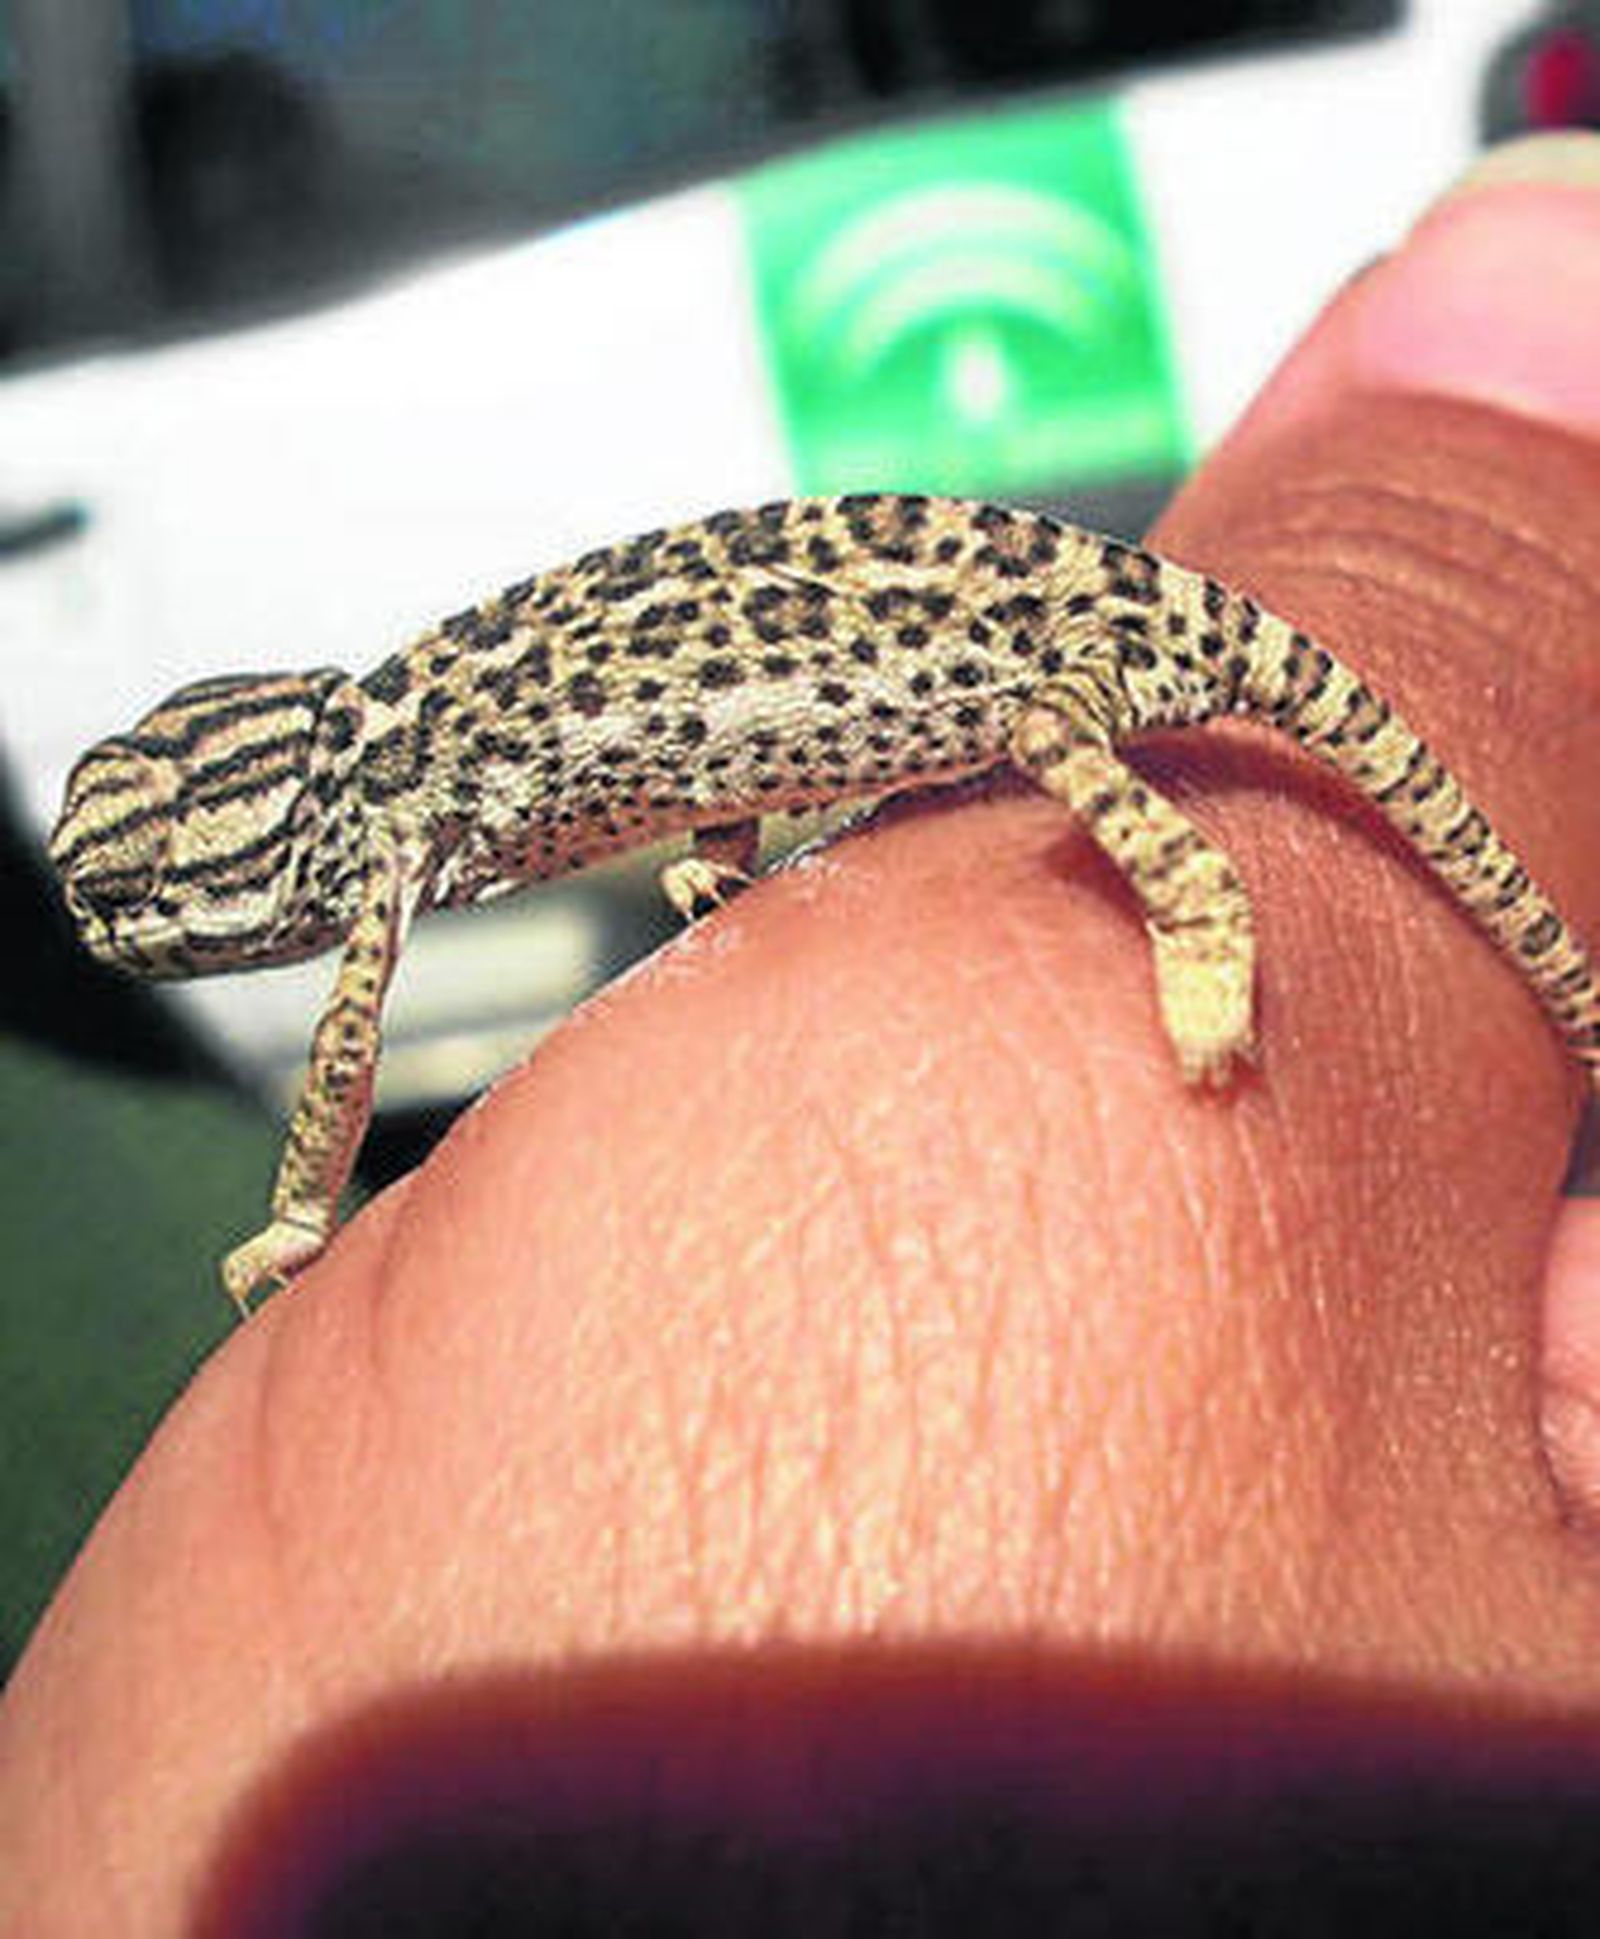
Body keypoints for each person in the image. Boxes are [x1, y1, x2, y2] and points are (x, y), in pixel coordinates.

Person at [7, 132, 1600, 1934]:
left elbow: (344, 1061)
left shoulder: (380, 807)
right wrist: (725, 838)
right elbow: (704, 725)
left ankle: (1193, 894)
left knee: (1057, 731)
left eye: (151, 900)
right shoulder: (418, 755)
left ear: (252, 839)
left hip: (1052, 640)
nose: (140, 936)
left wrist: (305, 1215)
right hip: (902, 645)